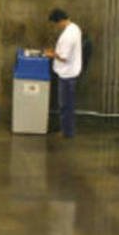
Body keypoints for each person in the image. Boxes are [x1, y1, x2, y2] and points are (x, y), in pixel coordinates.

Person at [44, 8, 83, 139]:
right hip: (72, 71)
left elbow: (64, 57)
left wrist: (50, 54)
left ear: (60, 21)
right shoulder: (75, 28)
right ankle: (67, 131)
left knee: (65, 105)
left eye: (56, 24)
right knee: (68, 105)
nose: (56, 27)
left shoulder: (68, 36)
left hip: (67, 75)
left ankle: (67, 133)